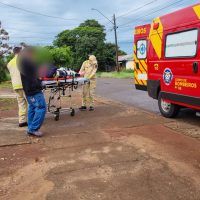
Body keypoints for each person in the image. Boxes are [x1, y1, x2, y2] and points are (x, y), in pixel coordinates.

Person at [18, 47, 46, 137]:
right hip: (34, 90)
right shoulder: (28, 62)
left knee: (32, 108)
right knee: (41, 108)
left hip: (28, 90)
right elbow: (38, 74)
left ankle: (30, 128)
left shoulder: (22, 63)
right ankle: (34, 129)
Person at [7, 46, 27, 127]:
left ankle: (22, 121)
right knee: (32, 103)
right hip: (24, 85)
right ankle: (33, 120)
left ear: (14, 52)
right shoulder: (23, 60)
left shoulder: (9, 63)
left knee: (21, 103)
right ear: (20, 52)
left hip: (16, 86)